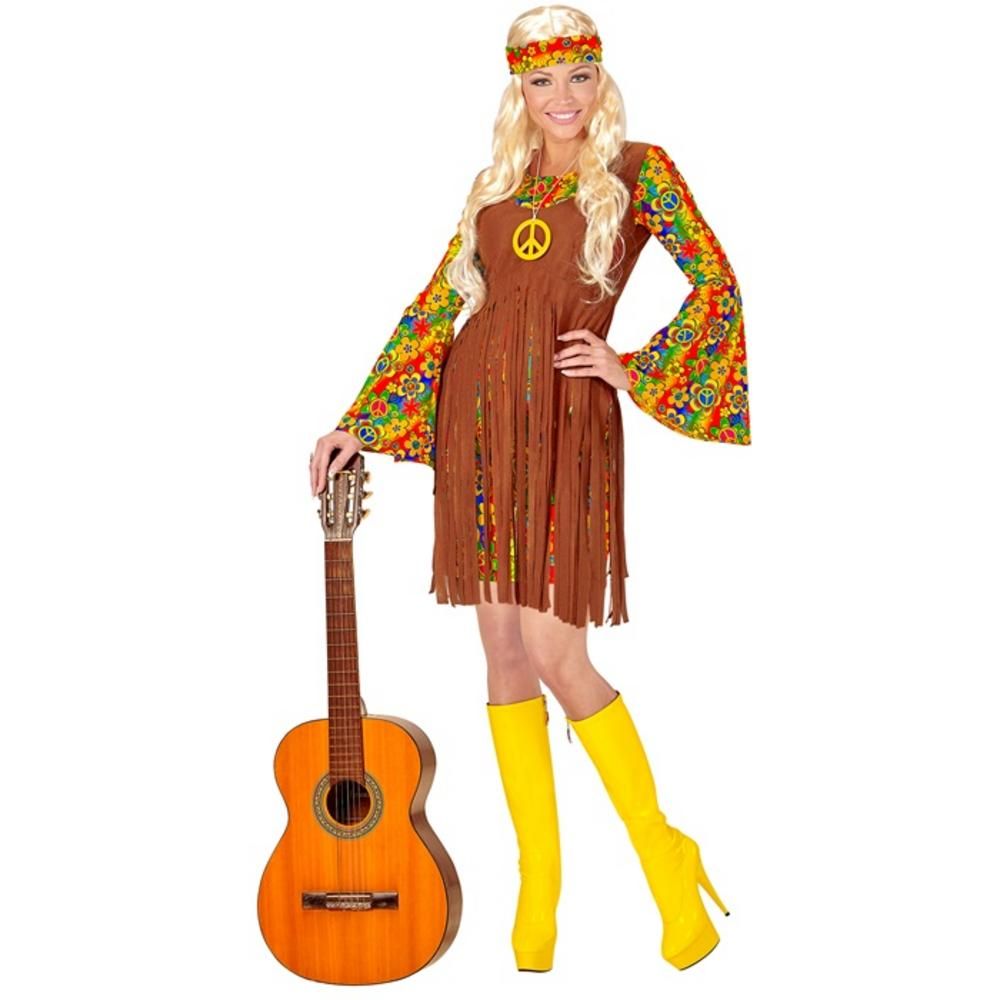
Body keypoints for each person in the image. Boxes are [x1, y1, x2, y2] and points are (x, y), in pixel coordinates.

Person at [308, 4, 749, 975]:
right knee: (503, 648)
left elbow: (717, 285)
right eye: (542, 81)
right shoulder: (497, 183)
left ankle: (666, 862)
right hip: (476, 428)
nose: (562, 98)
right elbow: (439, 304)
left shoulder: (641, 172)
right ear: (519, 87)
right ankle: (537, 882)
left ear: (601, 78)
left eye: (578, 76)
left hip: (564, 427)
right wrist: (359, 420)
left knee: (556, 649)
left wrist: (632, 368)